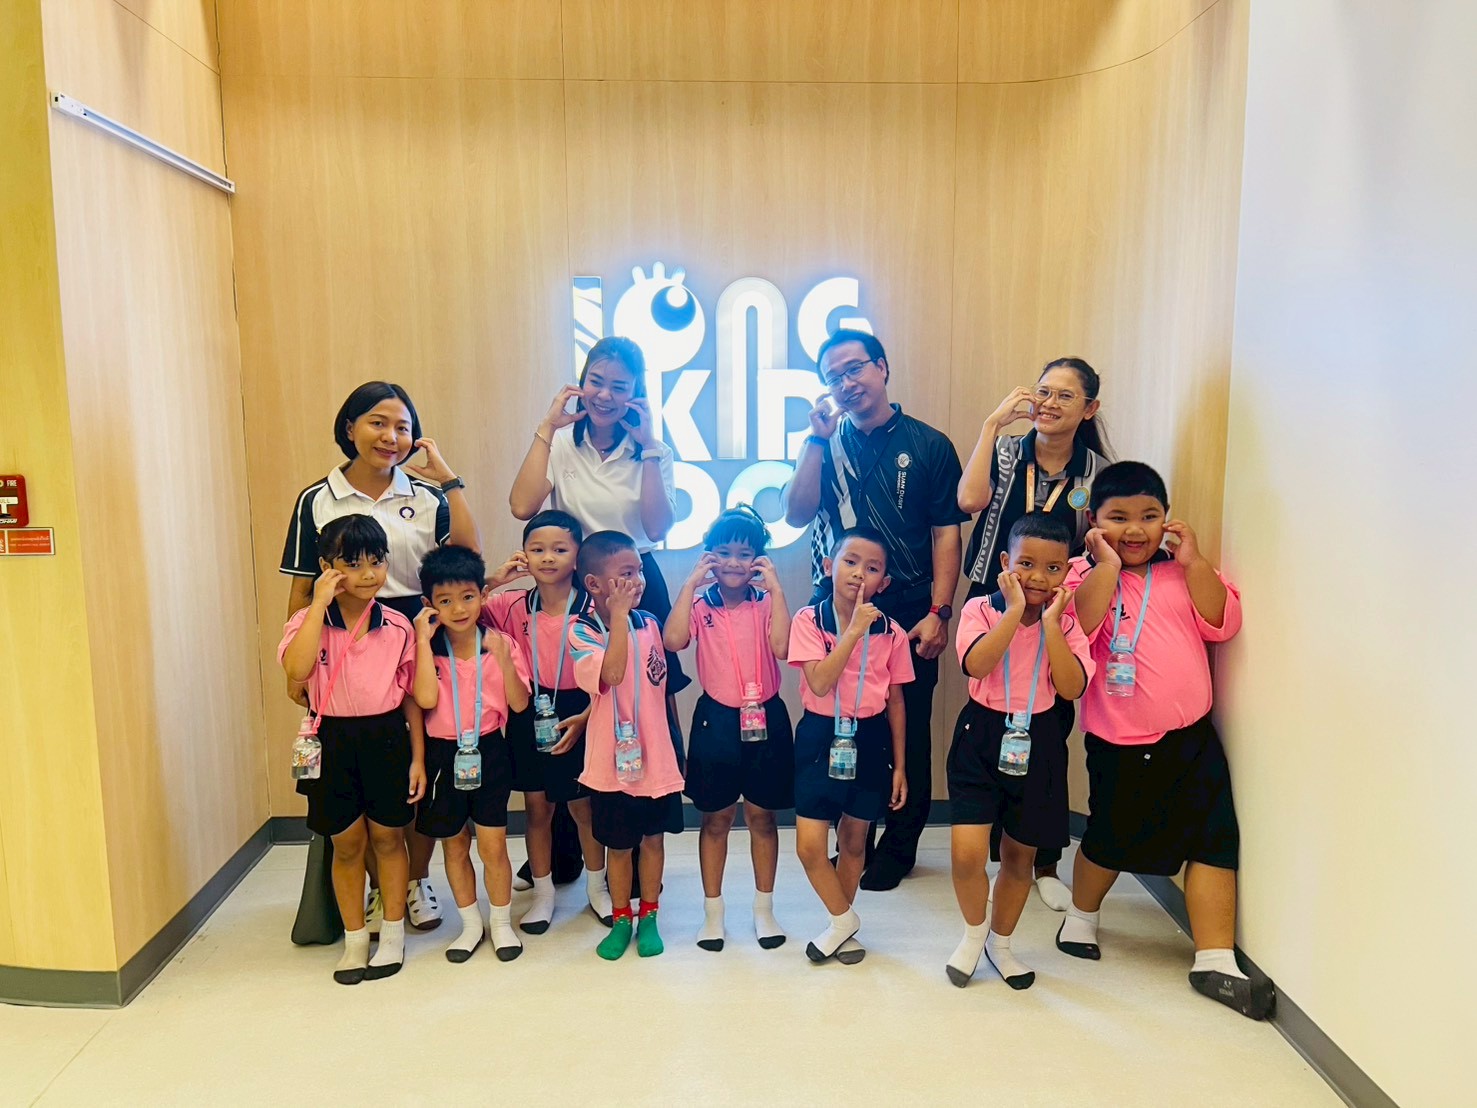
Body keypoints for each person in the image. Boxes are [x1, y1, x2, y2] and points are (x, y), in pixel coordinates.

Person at [1055, 461, 1276, 1021]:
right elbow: (1080, 625)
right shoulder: (1080, 575)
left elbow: (1223, 621)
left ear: (1167, 519)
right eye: (1119, 517)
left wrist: (1195, 561)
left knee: (1214, 839)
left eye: (1149, 516)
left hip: (1192, 738)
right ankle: (1081, 915)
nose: (1135, 530)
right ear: (1093, 520)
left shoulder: (1181, 572)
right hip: (1119, 741)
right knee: (1109, 837)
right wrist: (1105, 564)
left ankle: (1215, 958)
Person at [282, 381, 479, 933]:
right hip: (340, 640)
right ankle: (375, 891)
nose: (390, 436)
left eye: (402, 427)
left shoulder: (427, 495)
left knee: (418, 768)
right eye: (377, 422)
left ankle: (413, 882)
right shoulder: (316, 499)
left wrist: (448, 478)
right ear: (350, 427)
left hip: (415, 635)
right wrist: (295, 665)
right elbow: (302, 587)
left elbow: (468, 553)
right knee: (361, 775)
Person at [782, 330, 967, 892]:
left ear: (882, 367)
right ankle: (850, 833)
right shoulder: (826, 443)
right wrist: (814, 441)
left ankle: (901, 844)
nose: (846, 383)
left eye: (854, 368)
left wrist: (940, 610)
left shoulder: (929, 444)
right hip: (836, 603)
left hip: (908, 605)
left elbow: (946, 534)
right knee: (839, 712)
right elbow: (796, 513)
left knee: (905, 720)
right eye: (833, 376)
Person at [509, 338, 688, 889]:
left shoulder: (652, 448)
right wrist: (546, 427)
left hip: (636, 580)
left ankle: (643, 832)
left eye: (620, 386)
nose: (605, 395)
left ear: (637, 393)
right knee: (576, 701)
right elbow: (522, 506)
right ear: (581, 383)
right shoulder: (562, 442)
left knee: (647, 700)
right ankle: (574, 851)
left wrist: (650, 447)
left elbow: (657, 527)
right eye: (597, 381)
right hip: (579, 580)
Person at [957, 357, 1112, 911]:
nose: (1049, 403)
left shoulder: (1095, 472)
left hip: (1055, 604)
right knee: (991, 705)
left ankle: (1040, 857)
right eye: (1043, 392)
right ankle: (991, 839)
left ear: (1089, 409)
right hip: (995, 594)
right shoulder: (1005, 450)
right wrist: (990, 424)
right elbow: (969, 501)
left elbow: (1099, 540)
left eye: (1065, 396)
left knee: (1047, 719)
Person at [945, 515, 1092, 990]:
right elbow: (976, 664)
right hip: (981, 734)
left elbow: (1071, 687)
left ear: (1066, 571)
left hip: (1039, 737)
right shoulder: (980, 609)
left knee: (1019, 857)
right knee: (967, 855)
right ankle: (973, 935)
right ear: (1006, 562)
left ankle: (1001, 944)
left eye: (1053, 568)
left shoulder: (1066, 622)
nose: (1038, 578)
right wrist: (1013, 612)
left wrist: (1051, 625)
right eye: (1026, 564)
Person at [278, 514, 425, 984]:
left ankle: (394, 935)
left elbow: (411, 699)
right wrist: (318, 604)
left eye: (376, 562)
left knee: (389, 839)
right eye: (353, 563)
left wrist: (419, 758)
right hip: (332, 742)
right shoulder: (307, 622)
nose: (368, 574)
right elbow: (297, 671)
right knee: (346, 846)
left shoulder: (397, 625)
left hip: (386, 738)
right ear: (327, 567)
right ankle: (355, 940)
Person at [664, 506, 794, 952]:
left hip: (766, 715)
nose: (734, 562)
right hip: (716, 719)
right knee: (715, 818)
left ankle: (764, 909)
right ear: (709, 557)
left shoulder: (767, 601)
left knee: (762, 817)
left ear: (759, 558)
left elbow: (783, 647)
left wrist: (777, 589)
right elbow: (673, 640)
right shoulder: (701, 604)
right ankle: (713, 913)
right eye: (723, 553)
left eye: (744, 553)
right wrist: (689, 584)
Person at [787, 528, 913, 964]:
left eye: (872, 568)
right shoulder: (808, 620)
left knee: (855, 842)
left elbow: (896, 701)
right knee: (809, 846)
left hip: (871, 737)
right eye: (851, 561)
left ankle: (839, 925)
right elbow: (820, 682)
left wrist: (900, 766)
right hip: (820, 735)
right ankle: (844, 919)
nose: (860, 574)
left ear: (884, 582)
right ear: (829, 566)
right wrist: (854, 632)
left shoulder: (893, 633)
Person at [483, 510, 613, 929]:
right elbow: (456, 607)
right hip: (530, 709)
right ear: (524, 554)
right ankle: (543, 893)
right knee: (537, 808)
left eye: (560, 549)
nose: (548, 558)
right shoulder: (510, 604)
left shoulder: (594, 607)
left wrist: (588, 714)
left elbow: (614, 669)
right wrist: (495, 581)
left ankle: (597, 887)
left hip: (583, 707)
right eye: (537, 549)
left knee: (583, 806)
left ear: (578, 556)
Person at [567, 531, 685, 960]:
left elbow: (657, 686)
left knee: (653, 840)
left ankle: (649, 915)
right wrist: (618, 617)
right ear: (594, 584)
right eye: (626, 574)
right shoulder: (580, 630)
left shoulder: (650, 623)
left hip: (654, 757)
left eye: (639, 571)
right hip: (610, 763)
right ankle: (621, 918)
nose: (638, 581)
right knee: (618, 847)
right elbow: (612, 675)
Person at [410, 545, 530, 963]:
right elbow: (425, 699)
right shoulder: (427, 648)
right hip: (443, 755)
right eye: (444, 601)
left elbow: (518, 704)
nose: (458, 609)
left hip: (489, 749)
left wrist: (503, 660)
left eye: (467, 597)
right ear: (429, 604)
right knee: (454, 844)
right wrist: (421, 641)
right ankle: (470, 925)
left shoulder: (499, 643)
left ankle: (501, 923)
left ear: (482, 595)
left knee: (493, 846)